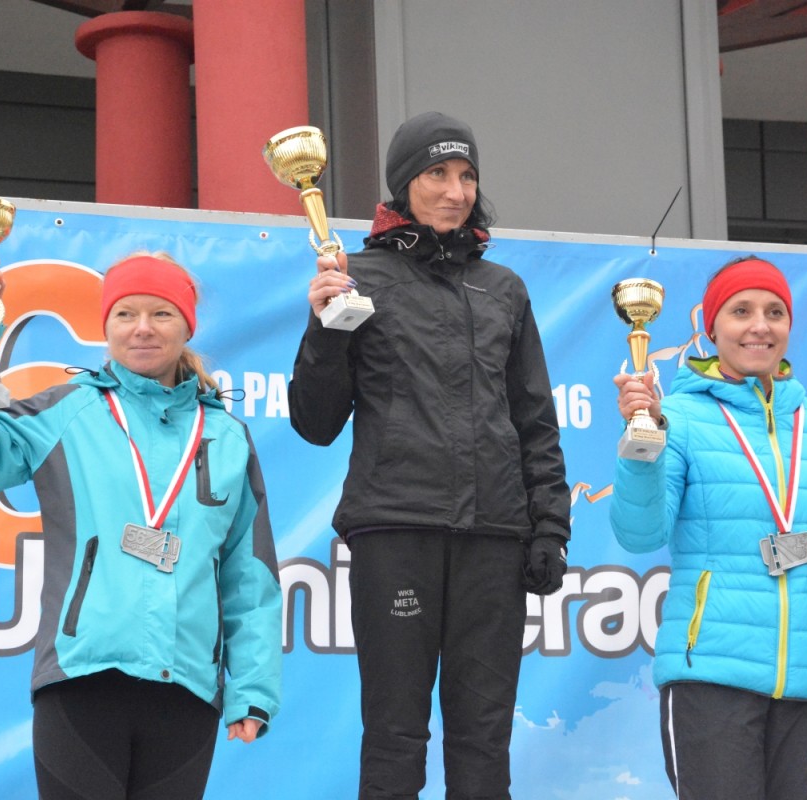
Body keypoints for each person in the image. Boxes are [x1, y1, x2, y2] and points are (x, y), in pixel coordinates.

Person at [0, 252, 282, 799]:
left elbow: (248, 577)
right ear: (105, 326)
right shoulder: (67, 412)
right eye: (125, 314)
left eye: (161, 313)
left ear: (187, 326)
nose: (142, 328)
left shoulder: (226, 437)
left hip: (185, 690)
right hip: (82, 679)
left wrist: (252, 687)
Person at [288, 111, 571, 799]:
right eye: (437, 173)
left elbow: (534, 420)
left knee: (483, 738)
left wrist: (549, 527)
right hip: (396, 532)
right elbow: (315, 423)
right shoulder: (356, 277)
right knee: (395, 734)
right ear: (404, 184)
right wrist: (325, 330)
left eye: (467, 175)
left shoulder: (504, 289)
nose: (456, 190)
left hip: (495, 537)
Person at [609, 256, 807, 800]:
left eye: (775, 312)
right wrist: (644, 442)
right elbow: (640, 534)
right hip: (712, 674)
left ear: (789, 326)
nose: (760, 325)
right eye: (741, 311)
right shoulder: (679, 418)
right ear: (712, 329)